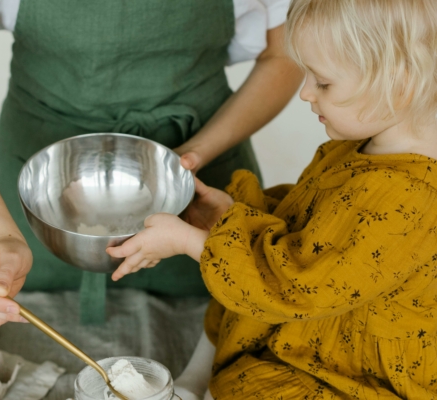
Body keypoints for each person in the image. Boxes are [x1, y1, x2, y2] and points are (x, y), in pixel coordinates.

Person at [107, 0, 437, 398]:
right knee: (235, 278)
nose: (305, 93)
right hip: (311, 318)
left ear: (399, 86)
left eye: (323, 83)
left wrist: (191, 242)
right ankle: (196, 383)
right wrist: (229, 216)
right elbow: (311, 217)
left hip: (349, 372)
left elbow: (297, 288)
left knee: (248, 370)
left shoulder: (410, 197)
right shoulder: (366, 145)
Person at [0, 0, 304, 330]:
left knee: (216, 333)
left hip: (198, 191)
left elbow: (284, 55)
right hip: (46, 203)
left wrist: (196, 152)